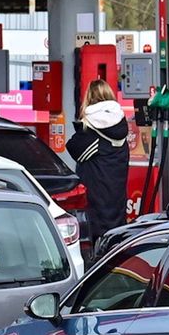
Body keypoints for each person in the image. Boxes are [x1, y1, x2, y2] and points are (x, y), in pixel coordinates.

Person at [65, 78, 132, 255]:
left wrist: (82, 127)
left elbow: (73, 148)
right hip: (117, 202)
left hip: (95, 204)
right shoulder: (121, 128)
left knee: (97, 251)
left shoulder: (91, 133)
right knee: (116, 244)